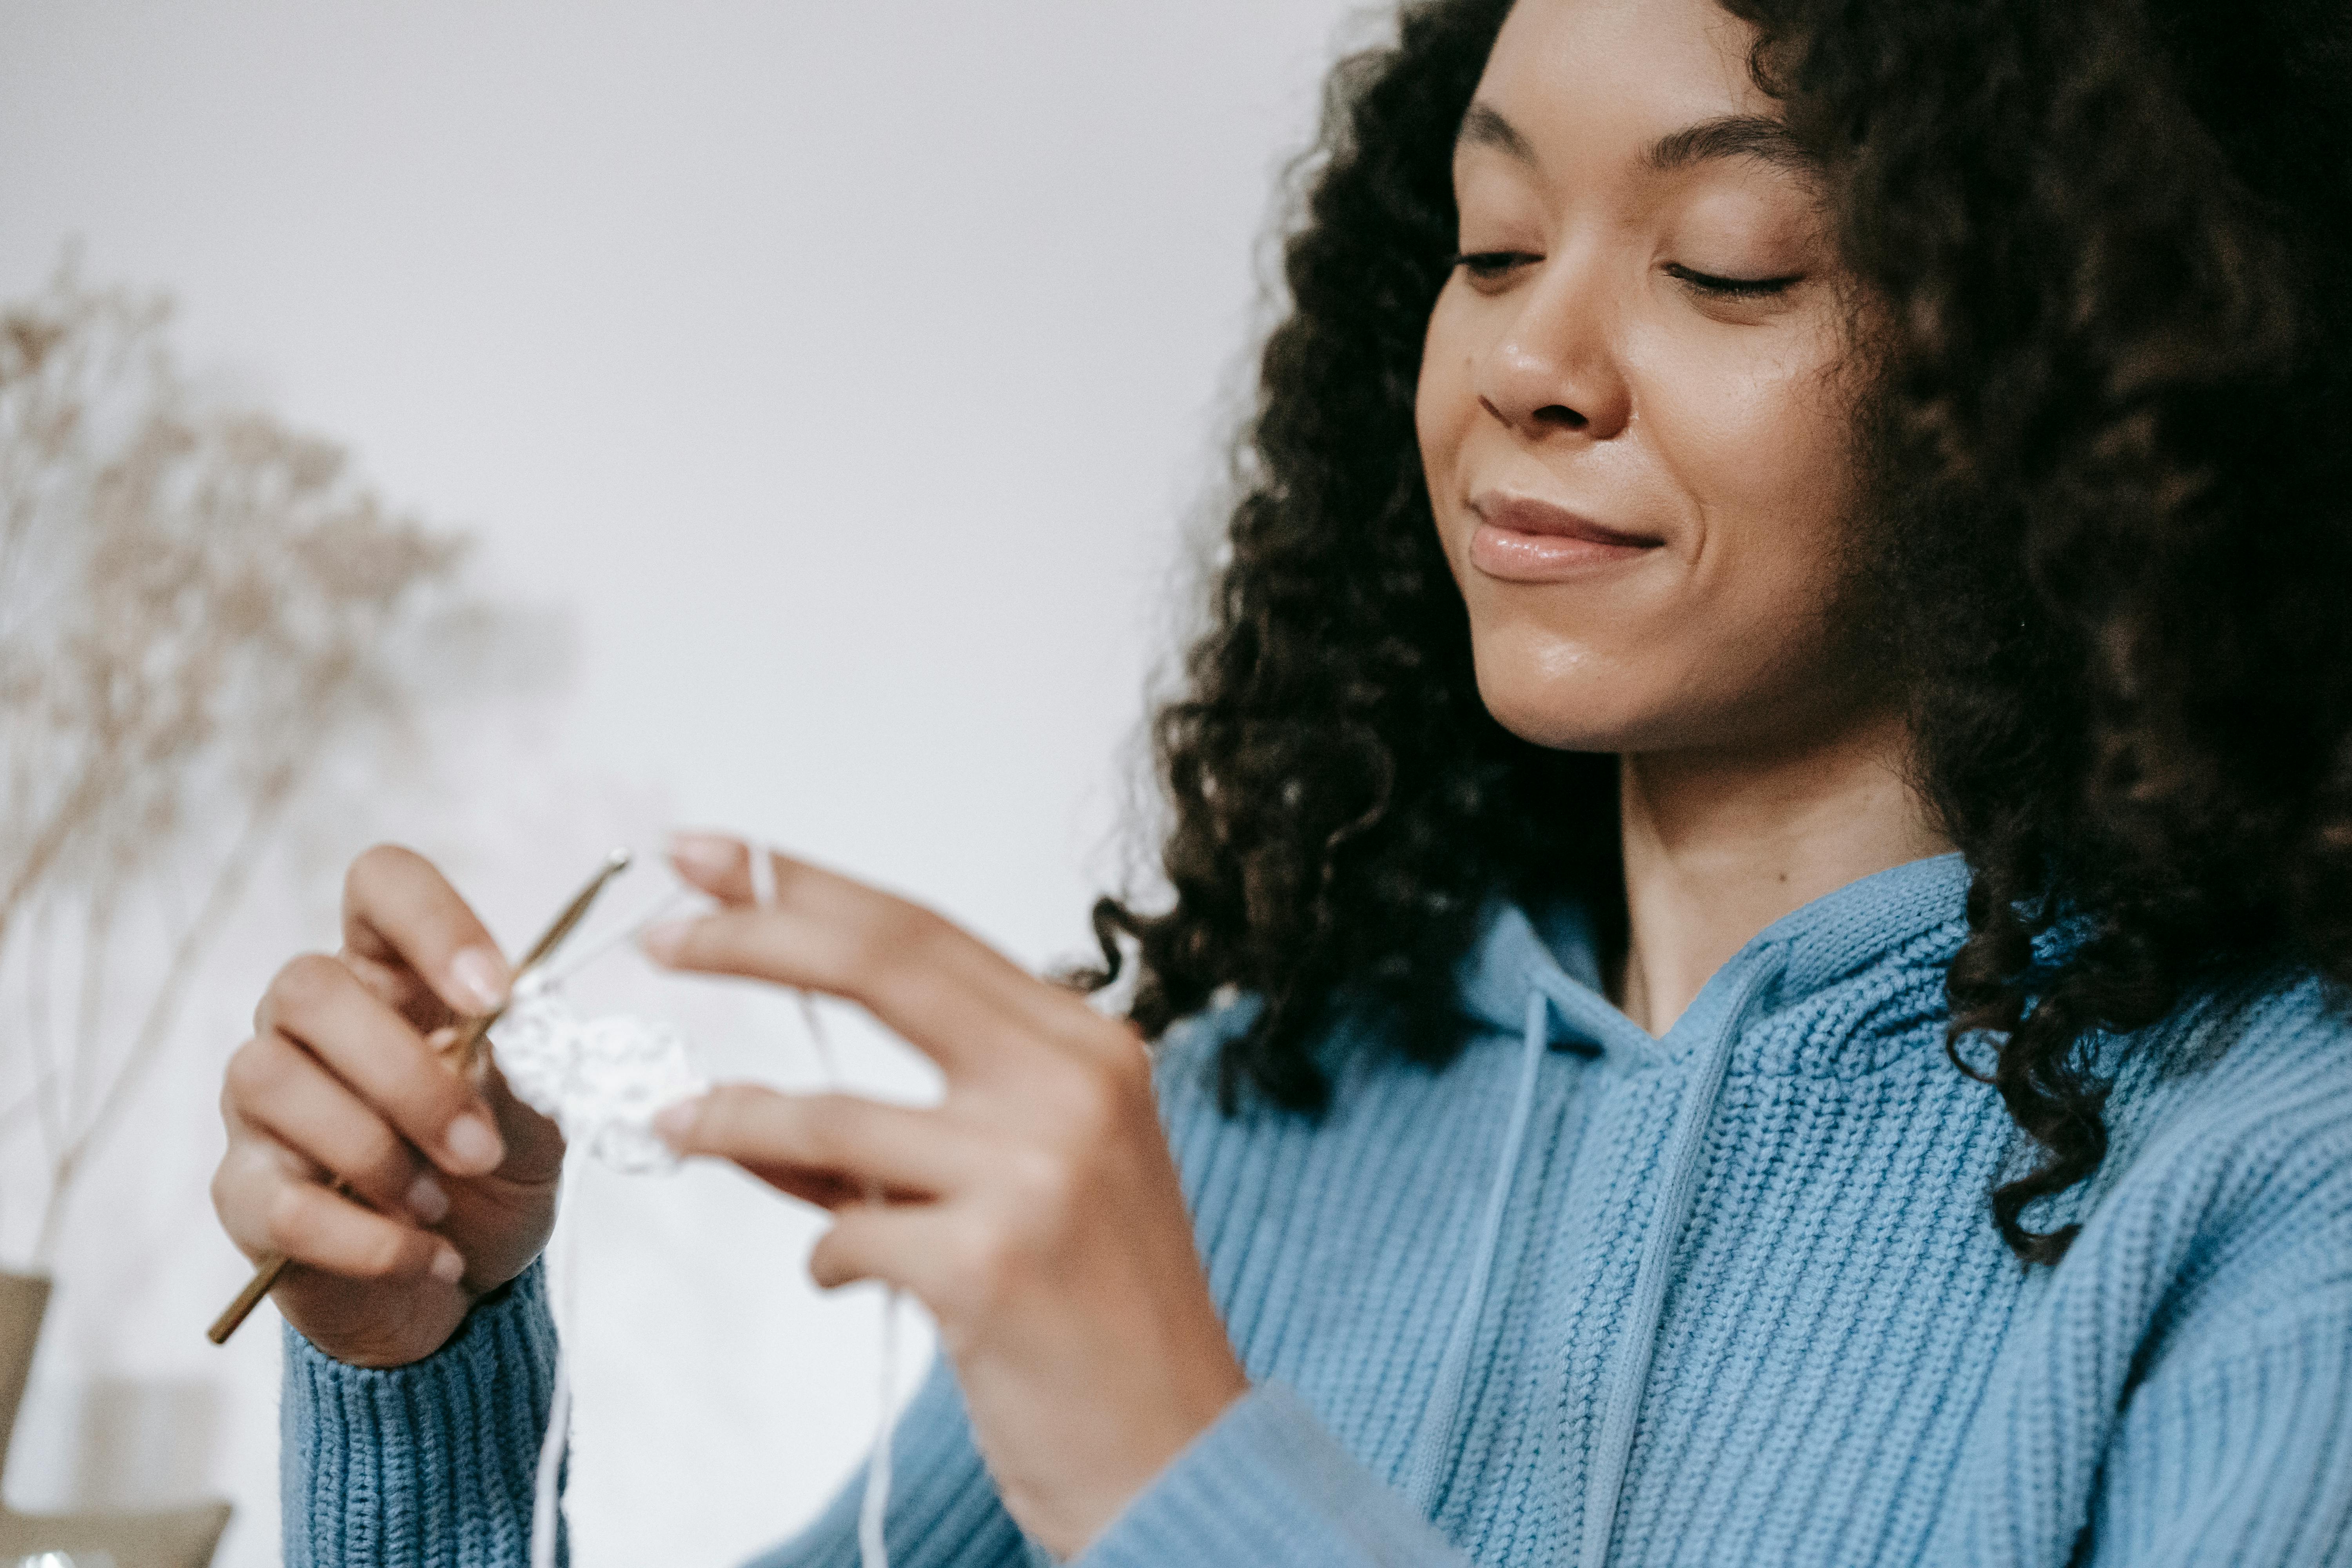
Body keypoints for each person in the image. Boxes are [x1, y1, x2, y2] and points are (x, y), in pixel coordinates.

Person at [212, 0, 2352, 1562]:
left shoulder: (2280, 1194)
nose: (1529, 361)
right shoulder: (1249, 1123)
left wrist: (1184, 1469)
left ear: (2077, 361)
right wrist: (420, 1366)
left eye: (1726, 265)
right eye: (1494, 245)